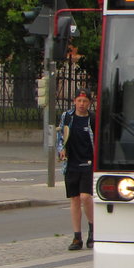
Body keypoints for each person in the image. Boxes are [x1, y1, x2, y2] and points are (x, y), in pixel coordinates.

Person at [57, 89, 96, 251]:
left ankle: (93, 231)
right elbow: (61, 137)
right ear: (74, 101)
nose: (81, 104)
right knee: (74, 199)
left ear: (89, 103)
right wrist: (62, 149)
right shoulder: (67, 117)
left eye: (85, 101)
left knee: (86, 197)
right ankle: (77, 236)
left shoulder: (92, 119)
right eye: (79, 101)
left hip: (88, 163)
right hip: (71, 163)